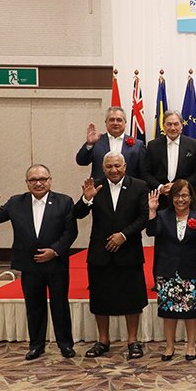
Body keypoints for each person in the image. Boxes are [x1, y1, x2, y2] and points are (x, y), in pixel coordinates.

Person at [0, 164, 78, 360]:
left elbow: (71, 232)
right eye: (33, 180)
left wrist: (54, 251)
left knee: (60, 305)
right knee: (34, 306)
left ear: (50, 180)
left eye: (43, 179)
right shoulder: (16, 202)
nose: (38, 183)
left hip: (56, 264)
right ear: (27, 183)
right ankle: (36, 346)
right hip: (30, 265)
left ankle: (65, 344)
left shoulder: (64, 201)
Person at [74, 152, 149, 359]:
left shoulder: (139, 186)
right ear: (103, 168)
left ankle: (132, 341)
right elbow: (77, 213)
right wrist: (86, 199)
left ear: (125, 166)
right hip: (101, 252)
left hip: (129, 250)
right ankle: (103, 340)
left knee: (133, 299)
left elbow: (143, 217)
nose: (114, 170)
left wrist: (123, 235)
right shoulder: (95, 186)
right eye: (109, 166)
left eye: (117, 165)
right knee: (100, 298)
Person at [145, 180, 196, 361]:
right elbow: (151, 232)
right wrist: (152, 211)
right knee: (168, 312)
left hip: (192, 271)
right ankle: (169, 346)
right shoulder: (162, 215)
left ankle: (191, 345)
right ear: (171, 197)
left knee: (191, 312)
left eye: (184, 195)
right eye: (176, 195)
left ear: (191, 197)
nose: (180, 199)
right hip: (167, 270)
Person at [142, 110, 196, 208]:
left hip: (186, 200)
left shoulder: (194, 145)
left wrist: (180, 187)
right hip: (159, 201)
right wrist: (160, 187)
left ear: (181, 126)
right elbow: (145, 173)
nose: (172, 128)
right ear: (163, 126)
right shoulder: (153, 146)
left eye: (176, 124)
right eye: (169, 124)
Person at [76, 106, 145, 181]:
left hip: (128, 187)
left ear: (125, 123)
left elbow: (143, 172)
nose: (115, 123)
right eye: (112, 120)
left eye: (119, 120)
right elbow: (81, 161)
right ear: (106, 123)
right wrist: (89, 144)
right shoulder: (96, 142)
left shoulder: (137, 145)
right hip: (100, 186)